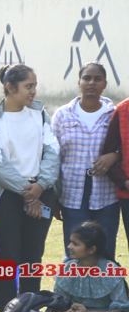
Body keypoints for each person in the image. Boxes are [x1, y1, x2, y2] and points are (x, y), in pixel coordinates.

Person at [0, 64, 59, 311]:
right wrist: (28, 193)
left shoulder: (40, 114)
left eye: (35, 86)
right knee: (6, 258)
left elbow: (52, 152)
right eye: (28, 86)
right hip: (6, 196)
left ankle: (29, 311)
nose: (33, 91)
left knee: (33, 258)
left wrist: (40, 186)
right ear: (10, 87)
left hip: (41, 192)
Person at [53, 63, 118, 249]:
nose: (92, 83)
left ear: (105, 84)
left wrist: (114, 156)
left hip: (106, 194)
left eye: (98, 79)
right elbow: (53, 157)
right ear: (79, 82)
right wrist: (55, 197)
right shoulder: (62, 115)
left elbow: (125, 148)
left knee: (105, 250)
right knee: (75, 250)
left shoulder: (114, 114)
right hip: (72, 194)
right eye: (87, 78)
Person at [41, 221, 129, 312]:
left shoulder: (111, 270)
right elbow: (58, 305)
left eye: (75, 244)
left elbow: (121, 310)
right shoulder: (67, 269)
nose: (69, 247)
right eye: (70, 242)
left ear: (92, 249)